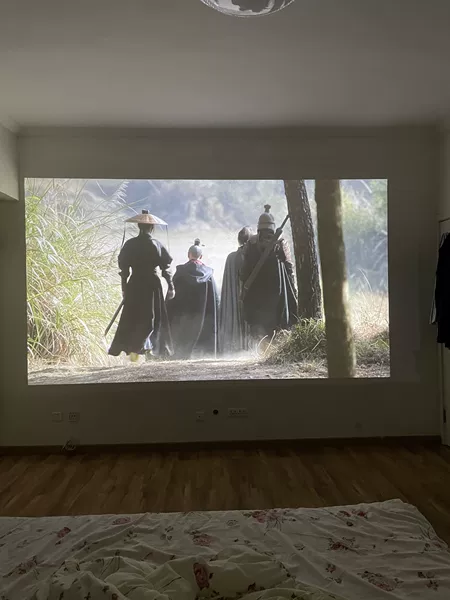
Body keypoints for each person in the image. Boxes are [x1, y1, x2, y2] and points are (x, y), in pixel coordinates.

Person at [108, 210, 174, 361]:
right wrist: (171, 286)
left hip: (135, 284)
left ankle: (136, 356)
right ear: (152, 227)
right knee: (152, 318)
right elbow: (166, 269)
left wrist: (124, 288)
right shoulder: (156, 245)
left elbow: (124, 271)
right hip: (152, 285)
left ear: (138, 226)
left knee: (134, 318)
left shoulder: (130, 245)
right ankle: (148, 354)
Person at [241, 205, 298, 343]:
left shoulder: (251, 243)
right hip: (276, 290)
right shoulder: (280, 243)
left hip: (256, 292)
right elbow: (289, 267)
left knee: (260, 326)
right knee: (277, 323)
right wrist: (293, 288)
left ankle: (262, 347)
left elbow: (244, 270)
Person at [167, 239, 219, 359]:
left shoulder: (180, 273)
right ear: (201, 256)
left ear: (188, 255)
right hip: (203, 316)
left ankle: (180, 354)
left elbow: (171, 296)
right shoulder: (208, 275)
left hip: (183, 315)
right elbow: (214, 299)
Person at [219, 226, 252, 354]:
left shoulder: (231, 258)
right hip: (248, 296)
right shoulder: (253, 256)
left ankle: (236, 346)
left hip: (235, 297)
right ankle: (249, 346)